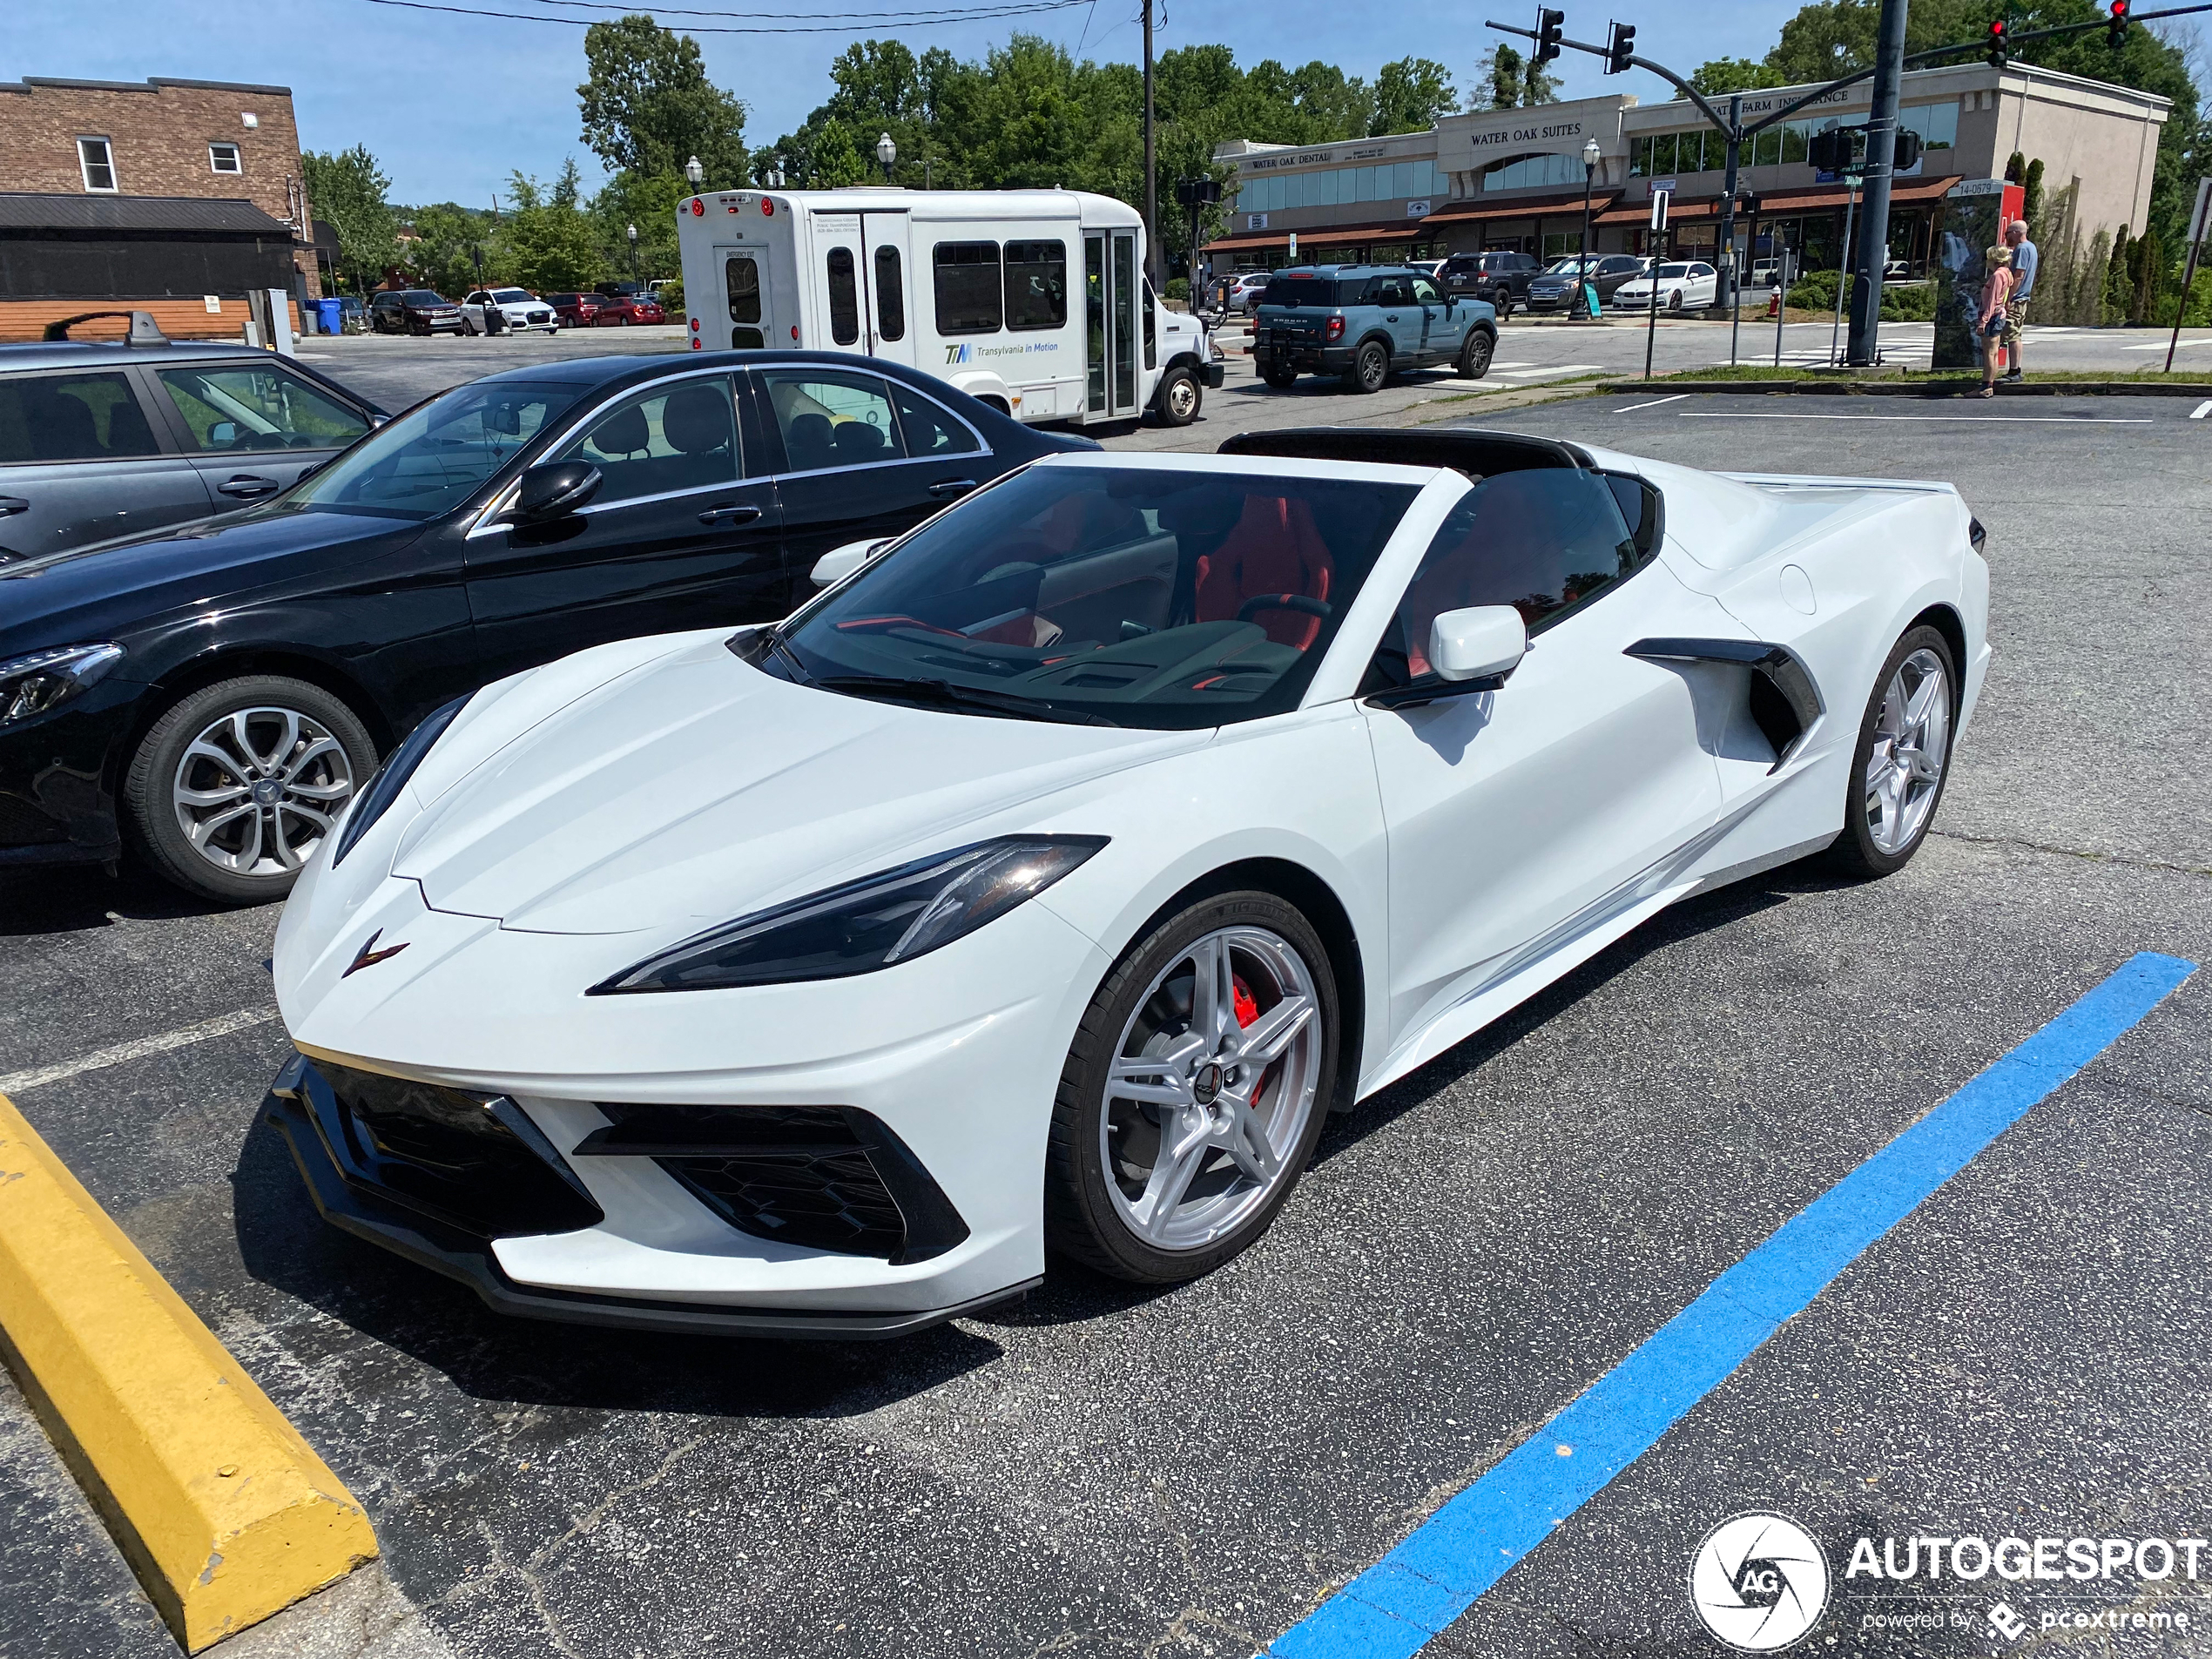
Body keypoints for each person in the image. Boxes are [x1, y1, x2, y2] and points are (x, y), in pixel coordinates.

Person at [1977, 244, 2014, 397]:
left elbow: (1993, 300)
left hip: (1993, 317)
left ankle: (1986, 386)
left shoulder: (1998, 275)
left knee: (1989, 353)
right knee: (1994, 353)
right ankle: (1989, 384)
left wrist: (1984, 321)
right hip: (2000, 315)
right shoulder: (2007, 273)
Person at [2002, 219, 2037, 380]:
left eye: (2008, 233)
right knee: (2016, 332)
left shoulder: (2022, 249)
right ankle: (2015, 369)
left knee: (2013, 333)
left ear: (2016, 233)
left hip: (2017, 297)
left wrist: (2008, 298)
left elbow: (2018, 276)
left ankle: (2015, 371)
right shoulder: (2031, 247)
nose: (2006, 236)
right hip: (2024, 296)